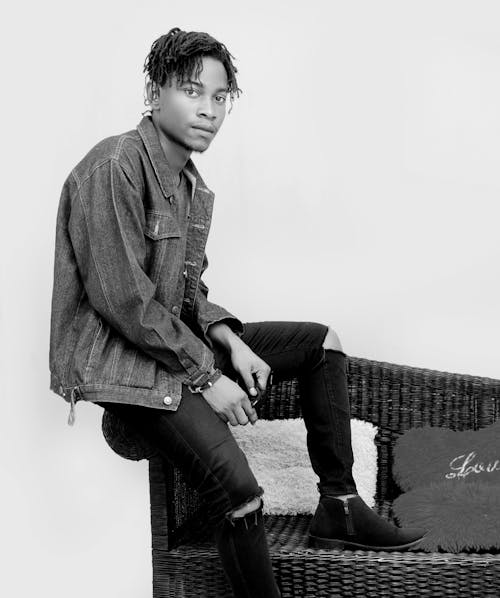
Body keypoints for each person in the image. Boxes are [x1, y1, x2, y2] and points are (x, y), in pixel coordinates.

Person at [49, 27, 425, 598]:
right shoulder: (114, 167)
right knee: (239, 492)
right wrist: (209, 375)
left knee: (322, 342)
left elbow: (186, 289)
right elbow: (123, 301)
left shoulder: (190, 183)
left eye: (220, 98)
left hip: (170, 343)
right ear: (154, 92)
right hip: (124, 367)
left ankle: (341, 507)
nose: (208, 110)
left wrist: (229, 337)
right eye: (192, 91)